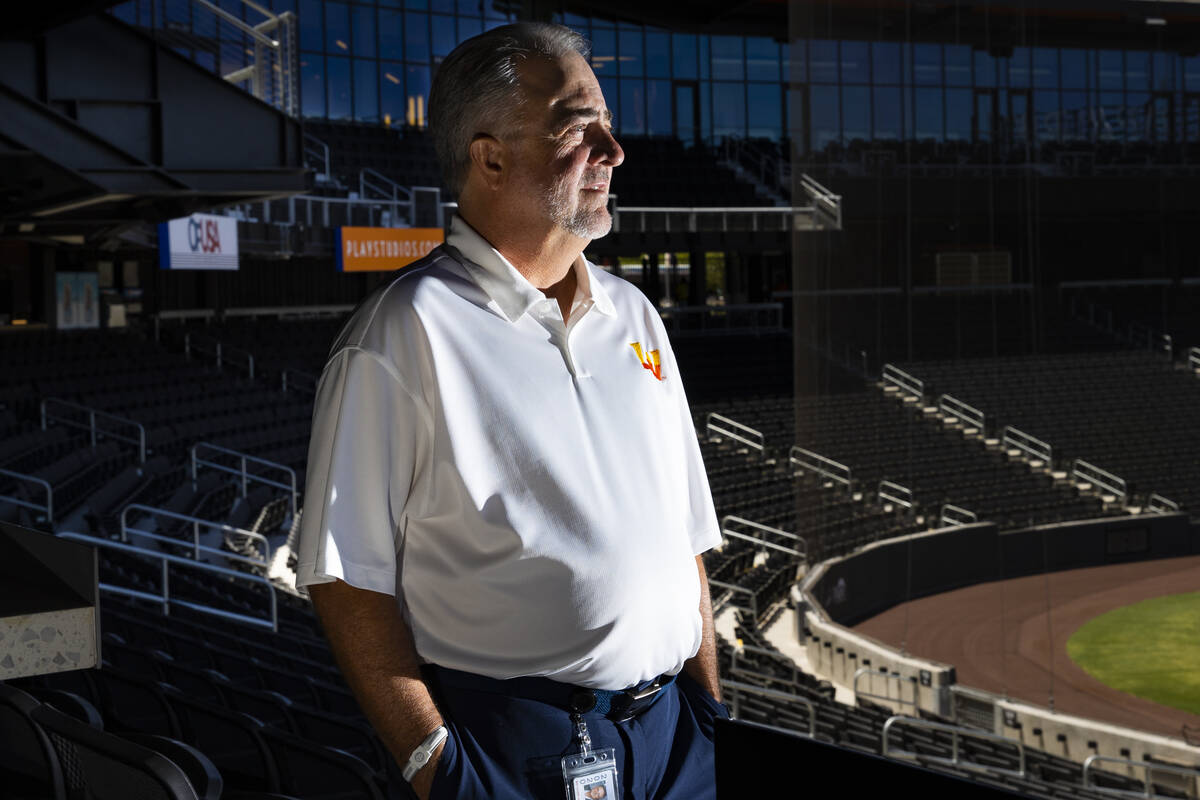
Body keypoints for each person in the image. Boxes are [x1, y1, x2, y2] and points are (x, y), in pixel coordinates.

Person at [296, 22, 727, 800]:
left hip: (672, 738)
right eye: (578, 127)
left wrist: (707, 706)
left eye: (608, 124)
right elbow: (344, 574)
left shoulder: (635, 315)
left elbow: (684, 533)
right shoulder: (405, 331)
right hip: (516, 748)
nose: (613, 150)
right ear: (489, 156)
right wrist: (437, 765)